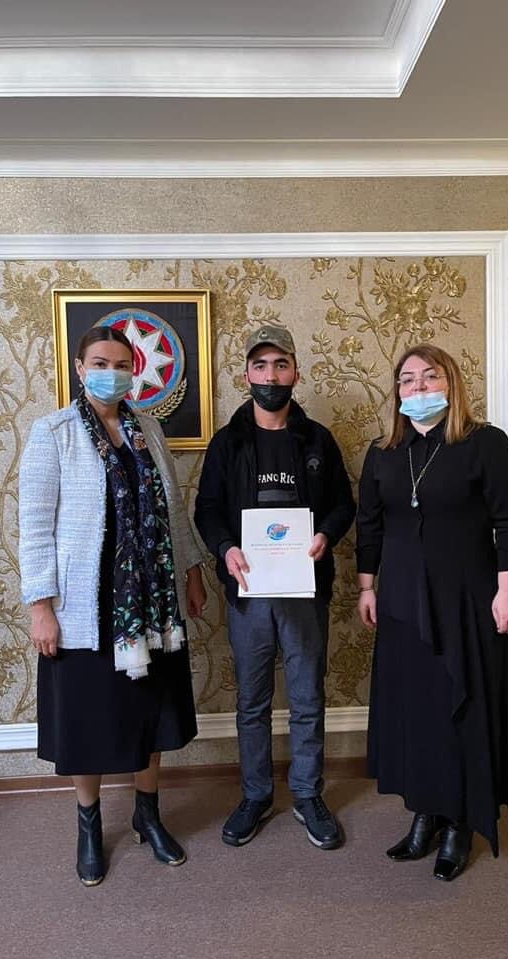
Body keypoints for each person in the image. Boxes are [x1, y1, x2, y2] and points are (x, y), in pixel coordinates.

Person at [19, 325, 206, 887]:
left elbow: (173, 510)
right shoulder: (53, 432)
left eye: (122, 364)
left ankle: (148, 815)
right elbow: (35, 529)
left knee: (152, 711)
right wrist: (40, 607)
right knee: (88, 717)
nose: (112, 373)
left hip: (151, 600)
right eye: (100, 363)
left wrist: (191, 571)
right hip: (86, 603)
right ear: (80, 368)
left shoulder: (148, 428)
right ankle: (89, 824)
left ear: (134, 372)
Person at [356, 343, 508, 881]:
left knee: (461, 709)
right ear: (397, 392)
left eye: (430, 377)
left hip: (468, 602)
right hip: (401, 604)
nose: (418, 387)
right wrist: (367, 587)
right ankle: (426, 812)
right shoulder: (384, 452)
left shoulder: (485, 444)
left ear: (451, 385)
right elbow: (370, 525)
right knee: (417, 713)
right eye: (408, 380)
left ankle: (459, 821)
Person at [194, 324, 355, 850]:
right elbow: (207, 509)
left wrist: (326, 534)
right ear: (246, 375)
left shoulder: (318, 439)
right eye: (260, 366)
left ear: (295, 373)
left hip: (305, 591)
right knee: (253, 701)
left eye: (280, 365)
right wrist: (225, 548)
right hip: (249, 593)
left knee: (307, 698)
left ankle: (307, 794)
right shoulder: (228, 442)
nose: (270, 376)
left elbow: (343, 504)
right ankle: (256, 795)